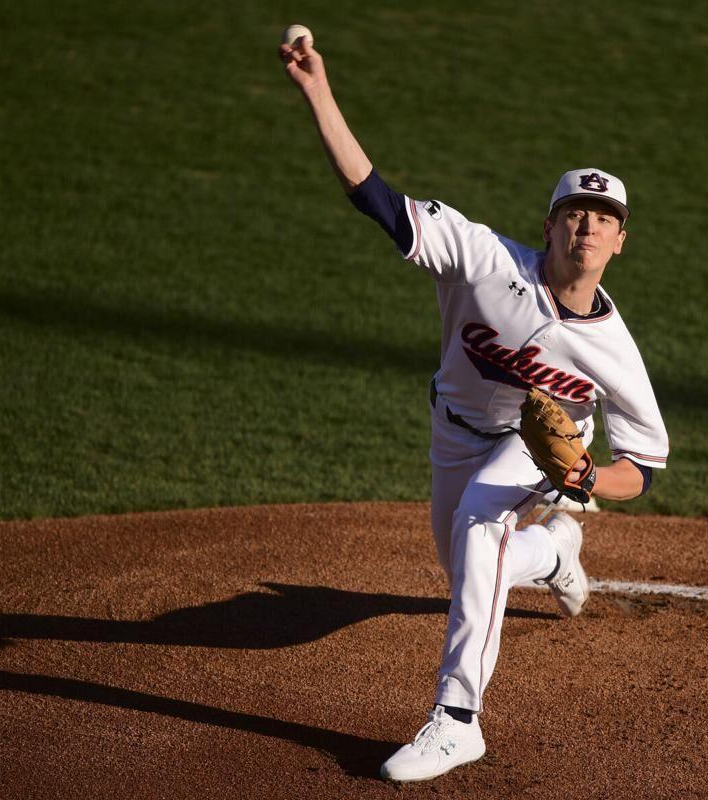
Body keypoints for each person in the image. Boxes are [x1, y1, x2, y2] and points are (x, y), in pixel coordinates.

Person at [279, 34, 669, 782]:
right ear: (550, 225)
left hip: (530, 447)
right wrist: (316, 91)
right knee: (468, 572)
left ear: (620, 242)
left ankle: (458, 721)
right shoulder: (485, 259)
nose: (586, 226)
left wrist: (586, 478)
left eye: (602, 217)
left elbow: (647, 464)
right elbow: (377, 199)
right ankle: (555, 550)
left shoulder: (615, 354)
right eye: (574, 213)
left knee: (479, 525)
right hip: (452, 436)